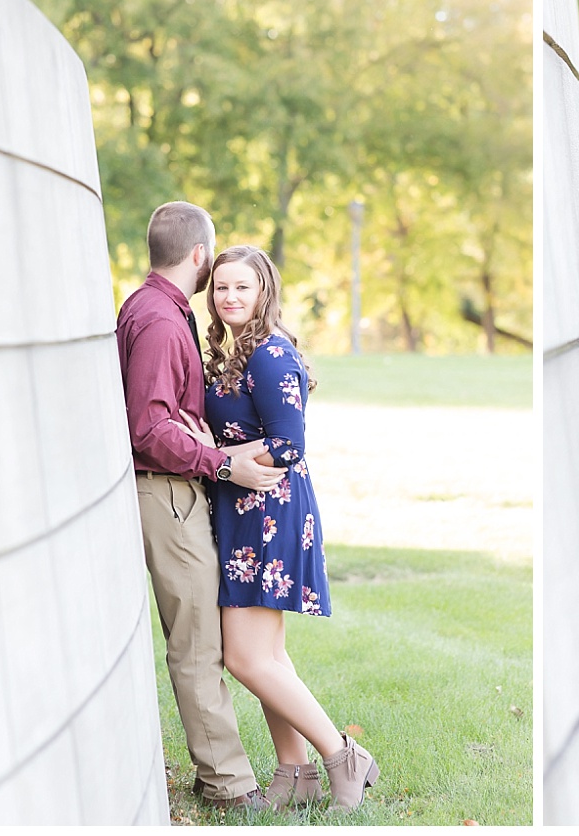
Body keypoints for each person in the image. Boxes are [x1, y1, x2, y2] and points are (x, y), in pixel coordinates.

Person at [175, 244, 379, 813]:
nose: (229, 296)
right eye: (221, 286)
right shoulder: (231, 351)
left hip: (269, 509)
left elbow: (289, 444)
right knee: (267, 656)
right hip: (241, 510)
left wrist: (220, 457)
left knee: (246, 658)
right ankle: (295, 772)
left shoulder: (269, 353)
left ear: (264, 291)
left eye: (242, 286)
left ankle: (343, 755)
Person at [117, 201, 285, 811]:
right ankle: (229, 786)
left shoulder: (152, 307)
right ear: (200, 255)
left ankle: (224, 774)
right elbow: (149, 429)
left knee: (199, 639)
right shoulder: (162, 321)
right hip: (166, 494)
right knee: (197, 646)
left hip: (173, 490)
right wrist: (223, 463)